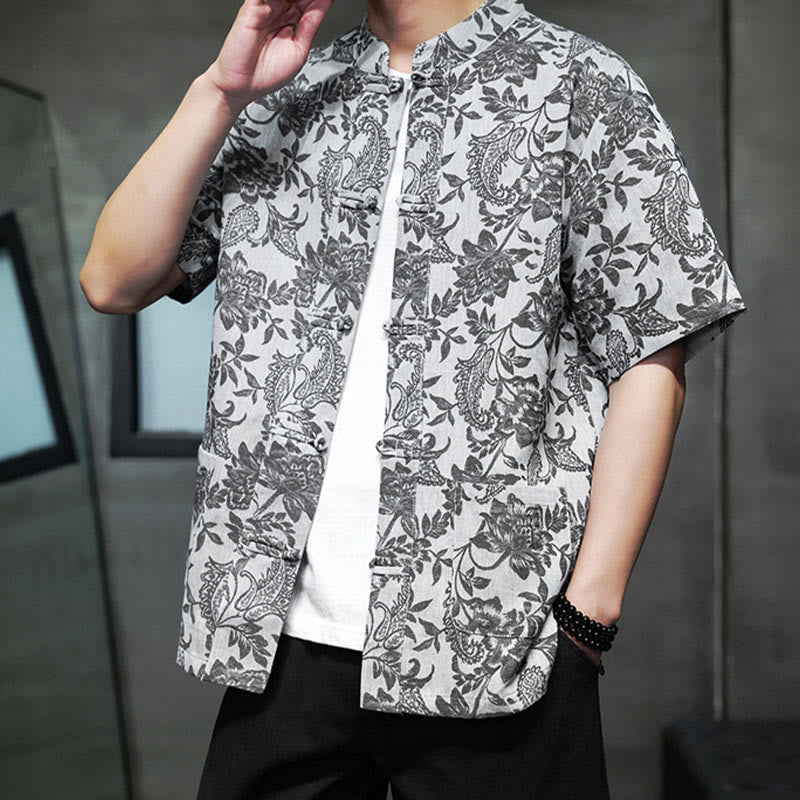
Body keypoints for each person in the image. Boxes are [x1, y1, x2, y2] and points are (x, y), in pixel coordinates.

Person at [80, 0, 747, 797]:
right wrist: (222, 91)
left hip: (496, 640)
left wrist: (586, 616)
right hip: (287, 649)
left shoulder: (581, 82)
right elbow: (113, 280)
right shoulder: (285, 91)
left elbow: (652, 348)